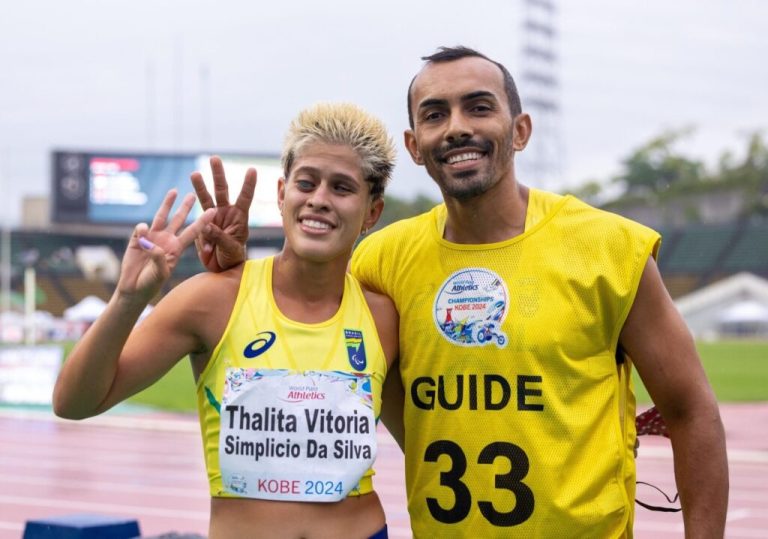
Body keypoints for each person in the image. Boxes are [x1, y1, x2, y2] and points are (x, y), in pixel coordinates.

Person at [195, 46, 729, 538]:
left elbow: (690, 410)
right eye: (434, 114)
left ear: (519, 130)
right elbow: (303, 311)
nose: (456, 128)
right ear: (414, 145)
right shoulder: (381, 260)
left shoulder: (608, 249)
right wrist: (239, 272)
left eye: (478, 108)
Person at [53, 102, 400, 539]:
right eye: (306, 183)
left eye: (342, 188)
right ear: (281, 194)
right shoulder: (213, 299)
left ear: (372, 212)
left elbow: (422, 443)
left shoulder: (383, 317)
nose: (319, 200)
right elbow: (74, 403)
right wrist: (128, 297)